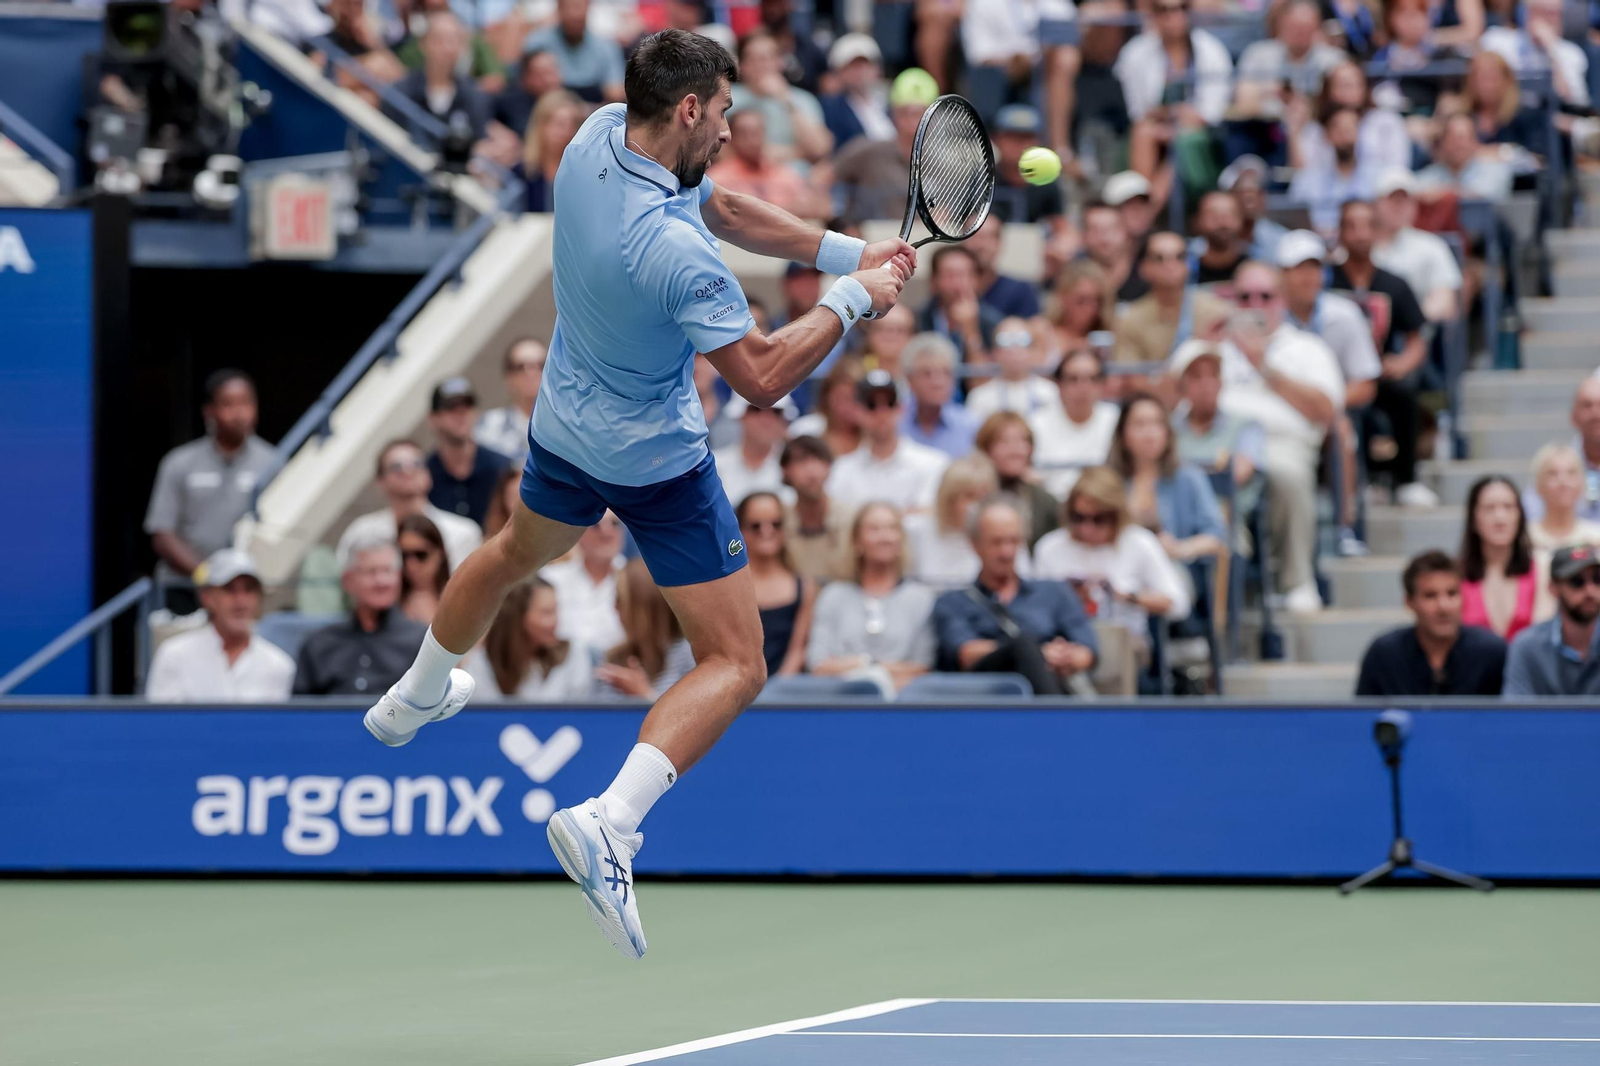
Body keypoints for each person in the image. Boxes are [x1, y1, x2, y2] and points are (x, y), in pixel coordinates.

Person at [364, 29, 918, 960]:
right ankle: (611, 823)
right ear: (691, 108)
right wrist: (856, 301)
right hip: (655, 459)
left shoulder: (593, 137)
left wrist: (846, 252)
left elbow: (729, 205)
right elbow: (763, 377)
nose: (736, 124)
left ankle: (414, 695)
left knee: (509, 554)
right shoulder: (673, 254)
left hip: (564, 425)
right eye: (727, 110)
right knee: (737, 662)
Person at [1214, 260, 1345, 613]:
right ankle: (1218, 596)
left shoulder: (1307, 348)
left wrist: (1263, 367)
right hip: (1216, 443)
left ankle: (1297, 581)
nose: (1255, 305)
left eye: (1265, 296)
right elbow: (1171, 399)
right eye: (1245, 297)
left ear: (1282, 301)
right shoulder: (1212, 346)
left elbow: (1326, 411)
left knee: (1288, 476)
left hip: (1283, 445)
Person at [1276, 229, 1384, 547]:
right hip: (1278, 413)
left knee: (1342, 431)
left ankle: (1344, 527)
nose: (1308, 277)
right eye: (1299, 268)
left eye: (1314, 267)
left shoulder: (1344, 315)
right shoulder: (1268, 313)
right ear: (1282, 275)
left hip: (1325, 414)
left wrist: (1324, 404)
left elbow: (1366, 385)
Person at [932, 496, 1098, 696]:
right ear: (975, 544)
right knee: (1024, 645)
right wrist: (1035, 652)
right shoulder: (953, 602)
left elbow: (1088, 653)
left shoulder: (1054, 592)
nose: (1006, 552)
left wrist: (1065, 657)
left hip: (1051, 682)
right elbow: (966, 653)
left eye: (1014, 541)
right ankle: (1055, 720)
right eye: (997, 542)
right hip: (983, 696)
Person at [1329, 200, 1432, 506]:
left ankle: (1406, 480)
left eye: (1367, 226)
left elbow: (1418, 338)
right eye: (1352, 226)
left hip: (1378, 373)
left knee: (1405, 398)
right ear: (1340, 233)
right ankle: (1347, 482)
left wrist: (1402, 363)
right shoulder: (1326, 280)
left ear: (1377, 231)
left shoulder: (1394, 284)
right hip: (1335, 376)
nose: (1360, 234)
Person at [145, 369, 276, 605]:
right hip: (185, 587)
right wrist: (207, 575)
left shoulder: (272, 462)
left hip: (243, 593)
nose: (239, 413)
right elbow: (162, 533)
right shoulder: (179, 462)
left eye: (246, 403)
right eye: (228, 404)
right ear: (209, 411)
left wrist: (232, 581)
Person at [1032, 465, 1191, 649]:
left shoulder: (1138, 542)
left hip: (1123, 639)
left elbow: (1178, 605)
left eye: (1098, 519)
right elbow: (1033, 608)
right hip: (1063, 638)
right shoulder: (1050, 547)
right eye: (1079, 517)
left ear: (1117, 515)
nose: (1087, 528)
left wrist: (1124, 595)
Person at [806, 502, 937, 692]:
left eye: (892, 528)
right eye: (874, 529)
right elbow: (818, 664)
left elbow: (923, 666)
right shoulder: (833, 596)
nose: (885, 537)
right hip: (839, 703)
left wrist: (860, 668)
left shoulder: (921, 598)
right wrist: (875, 667)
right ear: (857, 540)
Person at [144, 549, 295, 702]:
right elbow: (160, 723)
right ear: (207, 597)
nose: (241, 602)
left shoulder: (279, 666)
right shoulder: (174, 656)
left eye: (249, 590)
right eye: (230, 590)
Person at [1355, 550, 1507, 696]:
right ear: (1409, 602)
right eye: (1430, 596)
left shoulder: (1492, 653)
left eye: (1452, 593)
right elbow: (1361, 717)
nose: (1443, 606)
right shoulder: (1384, 654)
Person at [294, 536, 428, 695]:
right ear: (348, 580)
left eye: (388, 570)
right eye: (371, 572)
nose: (381, 581)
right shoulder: (318, 645)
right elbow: (299, 712)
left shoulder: (421, 642)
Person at [1109, 393, 1229, 565]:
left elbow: (1216, 534)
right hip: (1118, 567)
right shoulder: (1109, 479)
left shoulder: (1189, 477)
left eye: (1157, 423)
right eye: (1139, 424)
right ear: (1122, 434)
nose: (1149, 433)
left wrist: (1180, 548)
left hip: (1172, 569)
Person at [339, 439, 483, 572]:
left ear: (428, 475)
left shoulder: (463, 533)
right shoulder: (361, 532)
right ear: (380, 481)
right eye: (396, 466)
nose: (408, 471)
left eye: (417, 464)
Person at [1168, 340, 1265, 524]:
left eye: (1213, 375)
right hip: (1175, 521)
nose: (1207, 384)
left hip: (1229, 526)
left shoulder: (1246, 425)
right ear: (1181, 386)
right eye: (1196, 376)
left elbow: (1238, 473)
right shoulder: (1167, 429)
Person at [828, 371, 948, 513]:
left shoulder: (934, 464)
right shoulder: (840, 471)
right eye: (871, 404)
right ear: (856, 411)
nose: (881, 412)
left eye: (890, 403)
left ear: (901, 409)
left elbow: (927, 519)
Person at [462, 576, 598, 701]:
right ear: (518, 618)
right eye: (546, 613)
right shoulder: (482, 663)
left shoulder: (573, 656)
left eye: (556, 610)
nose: (555, 621)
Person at [831, 69, 934, 223]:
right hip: (874, 239)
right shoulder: (867, 150)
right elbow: (822, 178)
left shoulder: (945, 162)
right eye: (905, 113)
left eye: (919, 114)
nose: (912, 122)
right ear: (893, 115)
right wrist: (844, 223)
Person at [1458, 475, 1552, 643]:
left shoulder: (1541, 569)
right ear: (1473, 519)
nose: (1500, 518)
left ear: (1520, 516)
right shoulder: (1455, 574)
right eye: (1489, 508)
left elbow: (1543, 640)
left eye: (1508, 507)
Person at [1114, 231, 1230, 366]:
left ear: (1188, 264)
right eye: (1159, 258)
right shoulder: (1130, 320)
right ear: (1143, 267)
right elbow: (1128, 377)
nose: (1170, 265)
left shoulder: (1215, 311)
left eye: (1179, 257)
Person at [1503, 545, 1600, 698]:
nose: (1590, 591)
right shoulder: (1527, 647)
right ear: (1553, 588)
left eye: (1597, 579)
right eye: (1577, 581)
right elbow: (1516, 716)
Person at [595, 558, 698, 701]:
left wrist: (645, 696)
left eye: (620, 599)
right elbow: (599, 720)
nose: (615, 607)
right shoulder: (615, 659)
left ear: (644, 609)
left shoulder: (691, 656)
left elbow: (693, 717)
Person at [736, 491, 815, 677]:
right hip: (736, 685)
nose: (766, 531)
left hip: (784, 694)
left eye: (776, 524)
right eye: (756, 525)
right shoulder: (727, 586)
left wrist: (776, 693)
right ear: (740, 529)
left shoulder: (804, 586)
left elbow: (798, 650)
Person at [906, 456, 1014, 589]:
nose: (977, 505)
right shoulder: (916, 531)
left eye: (984, 497)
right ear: (949, 498)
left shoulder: (1006, 531)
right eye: (970, 496)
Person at [727, 29, 832, 165]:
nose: (762, 66)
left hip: (798, 180)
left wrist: (784, 98)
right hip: (744, 180)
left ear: (780, 62)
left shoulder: (803, 99)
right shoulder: (728, 98)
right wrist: (800, 153)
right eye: (754, 59)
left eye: (768, 58)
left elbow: (819, 149)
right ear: (742, 65)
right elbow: (723, 153)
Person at [1372, 169, 1463, 325]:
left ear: (1414, 205)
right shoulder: (1359, 244)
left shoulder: (1433, 247)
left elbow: (1445, 303)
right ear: (1376, 204)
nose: (1398, 207)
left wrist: (1408, 322)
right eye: (1392, 200)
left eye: (1405, 200)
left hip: (1415, 332)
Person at [1029, 349, 1121, 497]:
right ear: (1058, 384)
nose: (1083, 387)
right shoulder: (1035, 424)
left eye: (1092, 378)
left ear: (1102, 384)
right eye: (1073, 379)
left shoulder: (1117, 421)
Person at [705, 109, 827, 218]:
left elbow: (821, 209)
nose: (752, 140)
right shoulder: (717, 179)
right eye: (744, 134)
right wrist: (786, 210)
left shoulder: (785, 174)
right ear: (732, 137)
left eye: (757, 132)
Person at [393, 12, 495, 142]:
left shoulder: (475, 97)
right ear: (423, 44)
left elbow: (480, 142)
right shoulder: (400, 93)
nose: (447, 48)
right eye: (439, 40)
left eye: (454, 40)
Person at [425, 377, 512, 529]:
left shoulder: (502, 468)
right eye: (451, 407)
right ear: (433, 418)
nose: (461, 414)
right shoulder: (423, 476)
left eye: (467, 405)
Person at [539, 511, 625, 653]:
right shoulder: (550, 580)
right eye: (595, 525)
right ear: (577, 532)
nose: (606, 532)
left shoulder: (638, 583)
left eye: (615, 523)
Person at [1480, 0, 1590, 110]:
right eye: (1545, 12)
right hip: (1505, 116)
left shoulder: (1571, 53)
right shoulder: (1497, 40)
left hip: (1548, 122)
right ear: (1528, 13)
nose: (1553, 20)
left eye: (1557, 13)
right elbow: (1483, 89)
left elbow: (1572, 103)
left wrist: (1551, 49)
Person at [1287, 106, 1377, 234]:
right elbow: (1293, 219)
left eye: (1350, 128)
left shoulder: (1377, 178)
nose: (1345, 135)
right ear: (1327, 135)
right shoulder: (1307, 179)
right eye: (1338, 129)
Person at [976, 411, 1060, 549]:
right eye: (1004, 441)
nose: (1016, 450)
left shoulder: (1044, 501)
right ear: (986, 448)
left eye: (1023, 440)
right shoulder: (973, 496)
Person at [779, 435, 855, 584]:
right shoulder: (775, 522)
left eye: (818, 460)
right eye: (801, 461)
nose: (812, 471)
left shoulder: (853, 519)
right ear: (785, 471)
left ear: (829, 468)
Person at [1525, 379, 1600, 526]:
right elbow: (1531, 515)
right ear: (1573, 416)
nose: (1596, 413)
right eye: (1587, 405)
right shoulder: (1554, 465)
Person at [1235, 0, 1345, 99]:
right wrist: (1269, 90)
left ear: (1317, 28)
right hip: (1267, 119)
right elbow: (1242, 93)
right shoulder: (1258, 54)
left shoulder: (1334, 61)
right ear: (1281, 25)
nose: (1300, 34)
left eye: (1306, 28)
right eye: (1295, 28)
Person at [522, 0, 625, 103]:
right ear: (559, 8)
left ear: (589, 7)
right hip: (547, 108)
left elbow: (615, 91)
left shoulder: (607, 47)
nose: (575, 14)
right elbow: (526, 84)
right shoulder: (537, 43)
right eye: (569, 7)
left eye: (579, 6)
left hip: (595, 111)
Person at [900, 333, 980, 458]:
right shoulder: (894, 423)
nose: (937, 382)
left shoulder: (971, 426)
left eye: (946, 373)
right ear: (909, 379)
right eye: (926, 373)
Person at [966, 319, 1060, 424]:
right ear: (995, 352)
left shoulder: (1051, 393)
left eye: (1023, 340)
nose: (1014, 349)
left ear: (1033, 351)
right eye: (1005, 341)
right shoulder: (979, 397)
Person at [917, 246, 1000, 364]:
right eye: (949, 275)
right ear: (933, 281)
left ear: (977, 280)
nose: (957, 284)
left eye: (963, 275)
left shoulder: (992, 323)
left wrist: (970, 331)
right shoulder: (918, 320)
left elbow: (984, 379)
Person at [713, 395, 798, 507]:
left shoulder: (794, 468)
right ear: (740, 415)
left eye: (776, 412)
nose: (766, 419)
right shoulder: (715, 465)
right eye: (756, 409)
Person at [989, 104, 1068, 225]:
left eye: (1027, 137)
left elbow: (1060, 226)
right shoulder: (982, 178)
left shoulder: (1046, 181)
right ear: (996, 139)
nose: (1020, 145)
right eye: (1011, 137)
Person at [817, 33, 893, 150]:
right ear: (839, 72)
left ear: (877, 69)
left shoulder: (889, 103)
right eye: (853, 66)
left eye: (865, 65)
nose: (861, 72)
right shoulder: (831, 108)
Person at [1417, 113, 1515, 203]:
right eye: (1453, 138)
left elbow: (1484, 196)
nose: (1460, 144)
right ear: (1443, 142)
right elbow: (1414, 190)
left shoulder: (1495, 171)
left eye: (1464, 138)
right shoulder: (1431, 174)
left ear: (1475, 141)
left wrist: (1443, 194)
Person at [476, 338, 546, 464]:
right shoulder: (489, 425)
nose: (531, 373)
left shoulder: (570, 425)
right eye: (521, 367)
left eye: (541, 365)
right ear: (508, 377)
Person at [515, 90, 585, 212]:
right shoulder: (521, 172)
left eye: (573, 124)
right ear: (541, 126)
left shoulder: (587, 173)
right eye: (559, 124)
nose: (566, 132)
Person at [1527, 443, 1600, 552]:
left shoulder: (1595, 538)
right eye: (1552, 474)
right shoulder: (1525, 538)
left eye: (1571, 473)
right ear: (1538, 485)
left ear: (1582, 483)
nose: (1563, 482)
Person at [967, 214, 1041, 320]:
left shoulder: (1020, 290)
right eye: (973, 235)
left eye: (987, 237)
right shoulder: (947, 286)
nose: (980, 245)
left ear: (999, 243)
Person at [787, 359, 863, 460]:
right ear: (827, 396)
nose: (847, 406)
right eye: (841, 397)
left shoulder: (876, 437)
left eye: (854, 398)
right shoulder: (804, 430)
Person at [1219, 156, 1287, 263]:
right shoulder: (1215, 237)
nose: (1249, 200)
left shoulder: (1281, 240)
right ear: (1230, 198)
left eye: (1255, 193)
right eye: (1242, 193)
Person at [1079, 200, 1147, 304]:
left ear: (1126, 232)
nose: (1104, 237)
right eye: (1095, 230)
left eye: (1112, 228)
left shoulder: (1147, 275)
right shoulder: (1073, 279)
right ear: (1083, 236)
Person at [493, 47, 564, 138]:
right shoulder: (510, 104)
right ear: (525, 78)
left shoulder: (571, 102)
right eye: (540, 75)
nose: (548, 80)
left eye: (551, 72)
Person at [1049, 261, 1114, 359]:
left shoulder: (1109, 339)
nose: (1090, 309)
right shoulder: (1044, 333)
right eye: (1081, 301)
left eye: (1097, 301)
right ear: (1063, 297)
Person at [398, 514, 450, 625]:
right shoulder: (387, 601)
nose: (411, 564)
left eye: (420, 555)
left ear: (440, 554)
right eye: (404, 555)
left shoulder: (460, 597)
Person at [1192, 191, 1250, 288]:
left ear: (1241, 220)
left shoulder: (1255, 269)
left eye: (1230, 215)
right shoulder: (1184, 270)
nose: (1223, 223)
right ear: (1198, 220)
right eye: (1214, 216)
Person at [858, 303, 915, 382]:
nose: (890, 336)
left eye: (899, 330)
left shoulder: (920, 378)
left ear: (911, 336)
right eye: (881, 328)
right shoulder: (855, 376)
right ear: (869, 335)